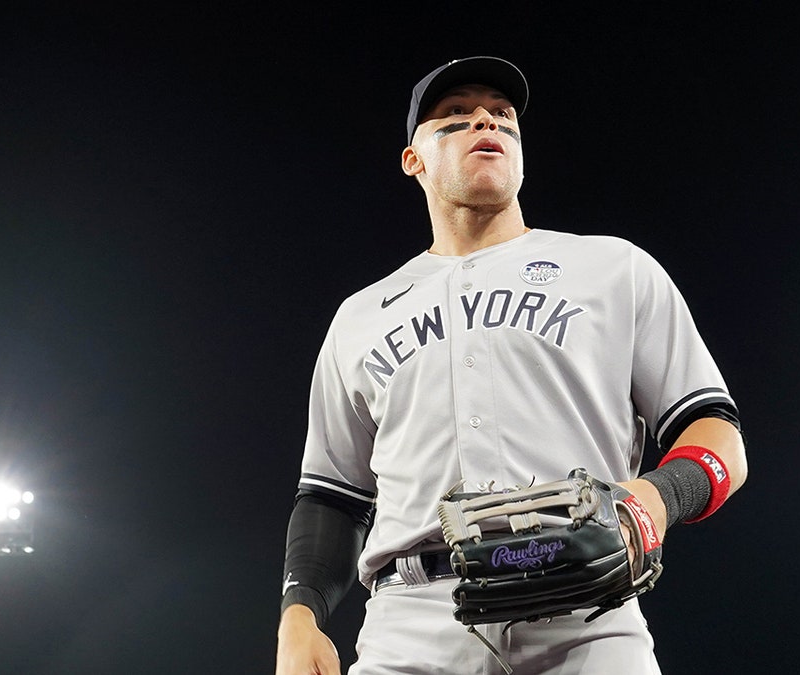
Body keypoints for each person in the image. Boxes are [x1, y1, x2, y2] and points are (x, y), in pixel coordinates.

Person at [276, 56, 748, 675]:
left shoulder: (614, 270)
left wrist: (656, 499)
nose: (484, 121)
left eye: (501, 114)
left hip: (588, 622)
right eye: (454, 116)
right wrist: (299, 616)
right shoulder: (360, 316)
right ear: (412, 160)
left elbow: (717, 437)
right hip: (411, 628)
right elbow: (332, 495)